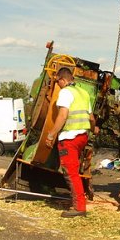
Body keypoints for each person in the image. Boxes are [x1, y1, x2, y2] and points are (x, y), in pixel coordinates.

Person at [44, 67, 96, 218]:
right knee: (74, 171)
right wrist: (94, 129)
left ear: (63, 80)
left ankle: (79, 207)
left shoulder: (65, 92)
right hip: (82, 137)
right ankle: (78, 202)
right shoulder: (84, 93)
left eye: (57, 82)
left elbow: (63, 115)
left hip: (69, 138)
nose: (58, 85)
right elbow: (91, 118)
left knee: (70, 173)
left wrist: (51, 134)